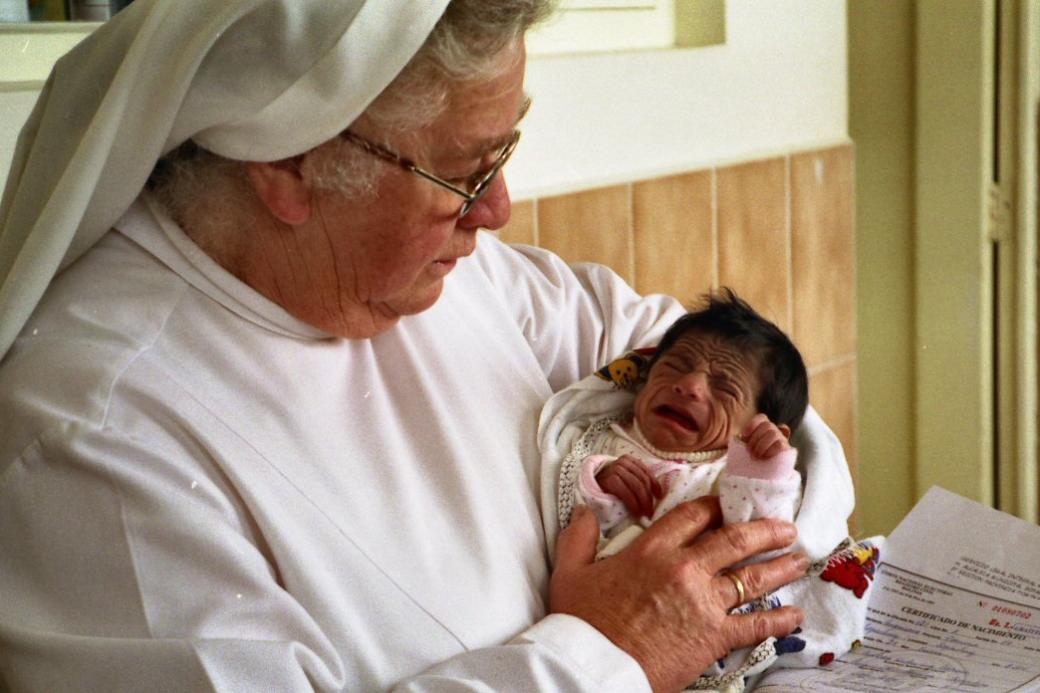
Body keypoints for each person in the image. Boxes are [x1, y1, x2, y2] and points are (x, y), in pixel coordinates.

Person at [0, 2, 840, 690]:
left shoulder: (446, 275)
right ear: (289, 162)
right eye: (468, 172)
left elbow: (754, 386)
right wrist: (610, 652)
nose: (498, 208)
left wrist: (745, 520)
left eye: (503, 153)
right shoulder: (92, 435)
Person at [541, 290, 882, 690]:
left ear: (759, 428)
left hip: (711, 626)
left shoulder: (736, 471)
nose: (689, 386)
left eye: (725, 388)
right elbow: (570, 508)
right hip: (613, 623)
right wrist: (601, 480)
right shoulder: (608, 436)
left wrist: (765, 470)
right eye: (674, 367)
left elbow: (765, 540)